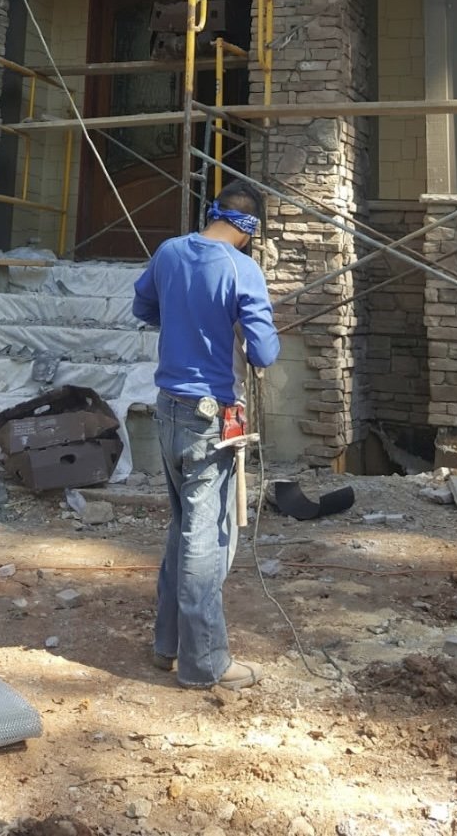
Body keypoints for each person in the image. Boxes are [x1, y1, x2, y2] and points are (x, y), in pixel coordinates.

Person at [132, 179, 280, 690]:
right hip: (211, 418)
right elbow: (263, 353)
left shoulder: (170, 252)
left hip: (168, 410)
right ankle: (206, 664)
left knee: (182, 528)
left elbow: (144, 307)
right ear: (250, 230)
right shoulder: (243, 269)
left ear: (213, 213)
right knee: (207, 537)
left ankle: (166, 644)